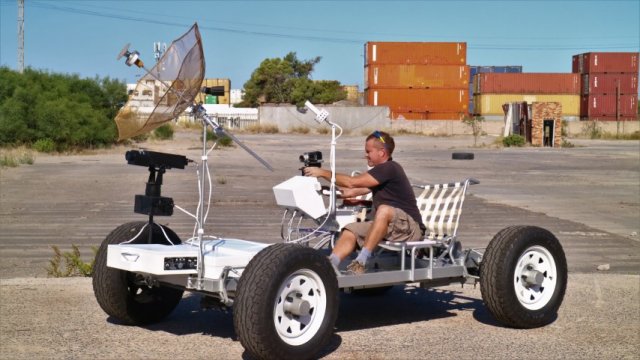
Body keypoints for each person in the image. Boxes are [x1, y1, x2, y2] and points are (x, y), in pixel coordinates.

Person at [304, 130, 425, 275]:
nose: (365, 155)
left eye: (368, 151)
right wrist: (322, 189)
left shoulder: (390, 168)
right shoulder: (381, 173)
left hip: (410, 229)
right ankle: (330, 266)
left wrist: (323, 172)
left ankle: (361, 262)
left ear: (382, 152)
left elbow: (352, 183)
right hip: (390, 226)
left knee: (384, 209)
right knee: (351, 229)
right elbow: (349, 192)